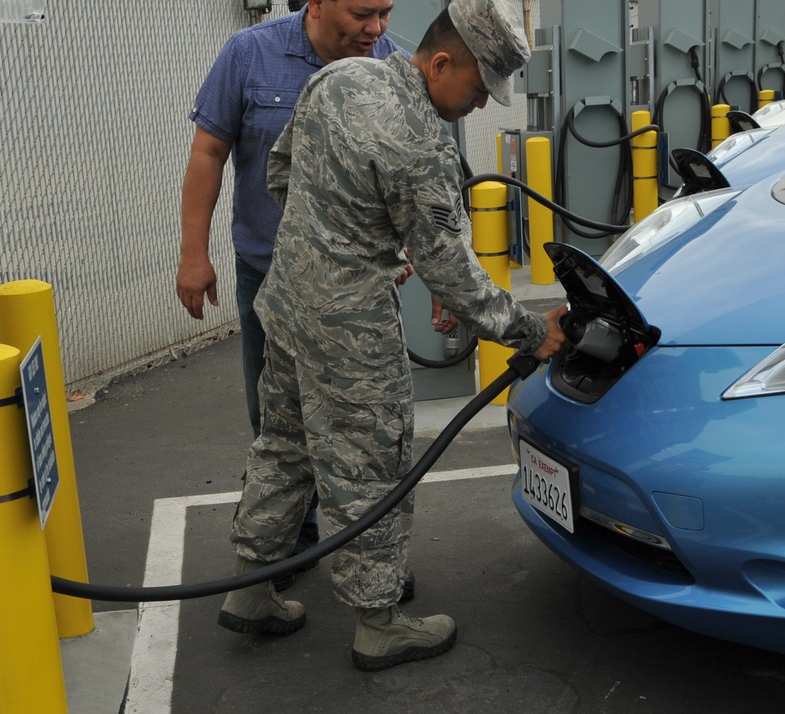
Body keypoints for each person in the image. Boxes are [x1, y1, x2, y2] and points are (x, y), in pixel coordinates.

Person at [215, 0, 570, 671]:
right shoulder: (419, 140)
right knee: (371, 464)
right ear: (441, 62)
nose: (476, 106)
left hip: (289, 299)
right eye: (475, 90)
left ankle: (251, 589)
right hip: (349, 327)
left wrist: (344, 236)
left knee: (284, 445)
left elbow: (281, 173)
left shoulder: (340, 78)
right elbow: (451, 269)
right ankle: (378, 625)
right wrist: (528, 331)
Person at [176, 0, 421, 594]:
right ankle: (289, 545)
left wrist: (408, 249)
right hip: (269, 275)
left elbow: (410, 174)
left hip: (357, 288)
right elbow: (209, 152)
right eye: (364, 12)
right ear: (317, 3)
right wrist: (193, 253)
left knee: (366, 431)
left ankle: (366, 557)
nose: (378, 29)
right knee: (278, 423)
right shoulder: (250, 54)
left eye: (386, 12)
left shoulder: (394, 66)